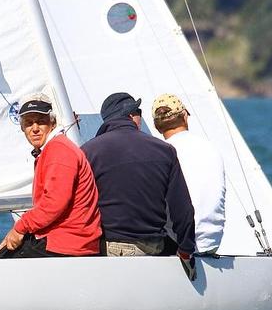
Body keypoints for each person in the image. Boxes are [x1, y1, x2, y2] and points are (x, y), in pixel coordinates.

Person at [81, 92, 197, 279]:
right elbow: (182, 209)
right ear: (131, 116)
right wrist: (186, 250)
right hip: (155, 246)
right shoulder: (165, 150)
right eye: (139, 111)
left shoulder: (87, 152)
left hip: (108, 248)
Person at [0, 94, 102, 258]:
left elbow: (54, 203)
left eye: (41, 121)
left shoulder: (59, 150)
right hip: (65, 240)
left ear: (52, 124)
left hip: (67, 244)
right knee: (2, 256)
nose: (35, 128)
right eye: (29, 123)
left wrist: (19, 228)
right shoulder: (54, 148)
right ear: (23, 128)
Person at [152, 93, 226, 255]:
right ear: (185, 116)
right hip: (212, 240)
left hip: (179, 242)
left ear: (157, 127)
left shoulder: (160, 153)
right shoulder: (211, 148)